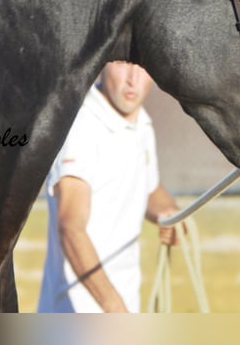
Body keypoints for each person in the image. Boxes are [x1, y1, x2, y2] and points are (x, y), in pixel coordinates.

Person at [37, 61, 179, 313]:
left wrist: (168, 213)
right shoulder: (80, 126)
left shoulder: (142, 123)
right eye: (125, 64)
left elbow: (149, 188)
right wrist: (113, 306)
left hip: (123, 308)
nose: (133, 79)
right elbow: (70, 228)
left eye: (144, 66)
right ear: (103, 63)